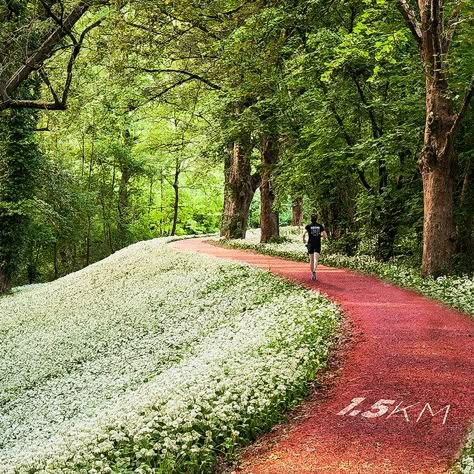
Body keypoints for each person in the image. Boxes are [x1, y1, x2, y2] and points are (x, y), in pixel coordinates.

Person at [303, 213, 327, 281]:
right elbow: (325, 236)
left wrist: (304, 241)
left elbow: (303, 234)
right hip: (317, 244)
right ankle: (314, 271)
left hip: (310, 244)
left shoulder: (308, 226)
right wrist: (320, 236)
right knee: (316, 259)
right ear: (317, 219)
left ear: (311, 218)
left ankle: (312, 273)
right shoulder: (320, 226)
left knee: (311, 260)